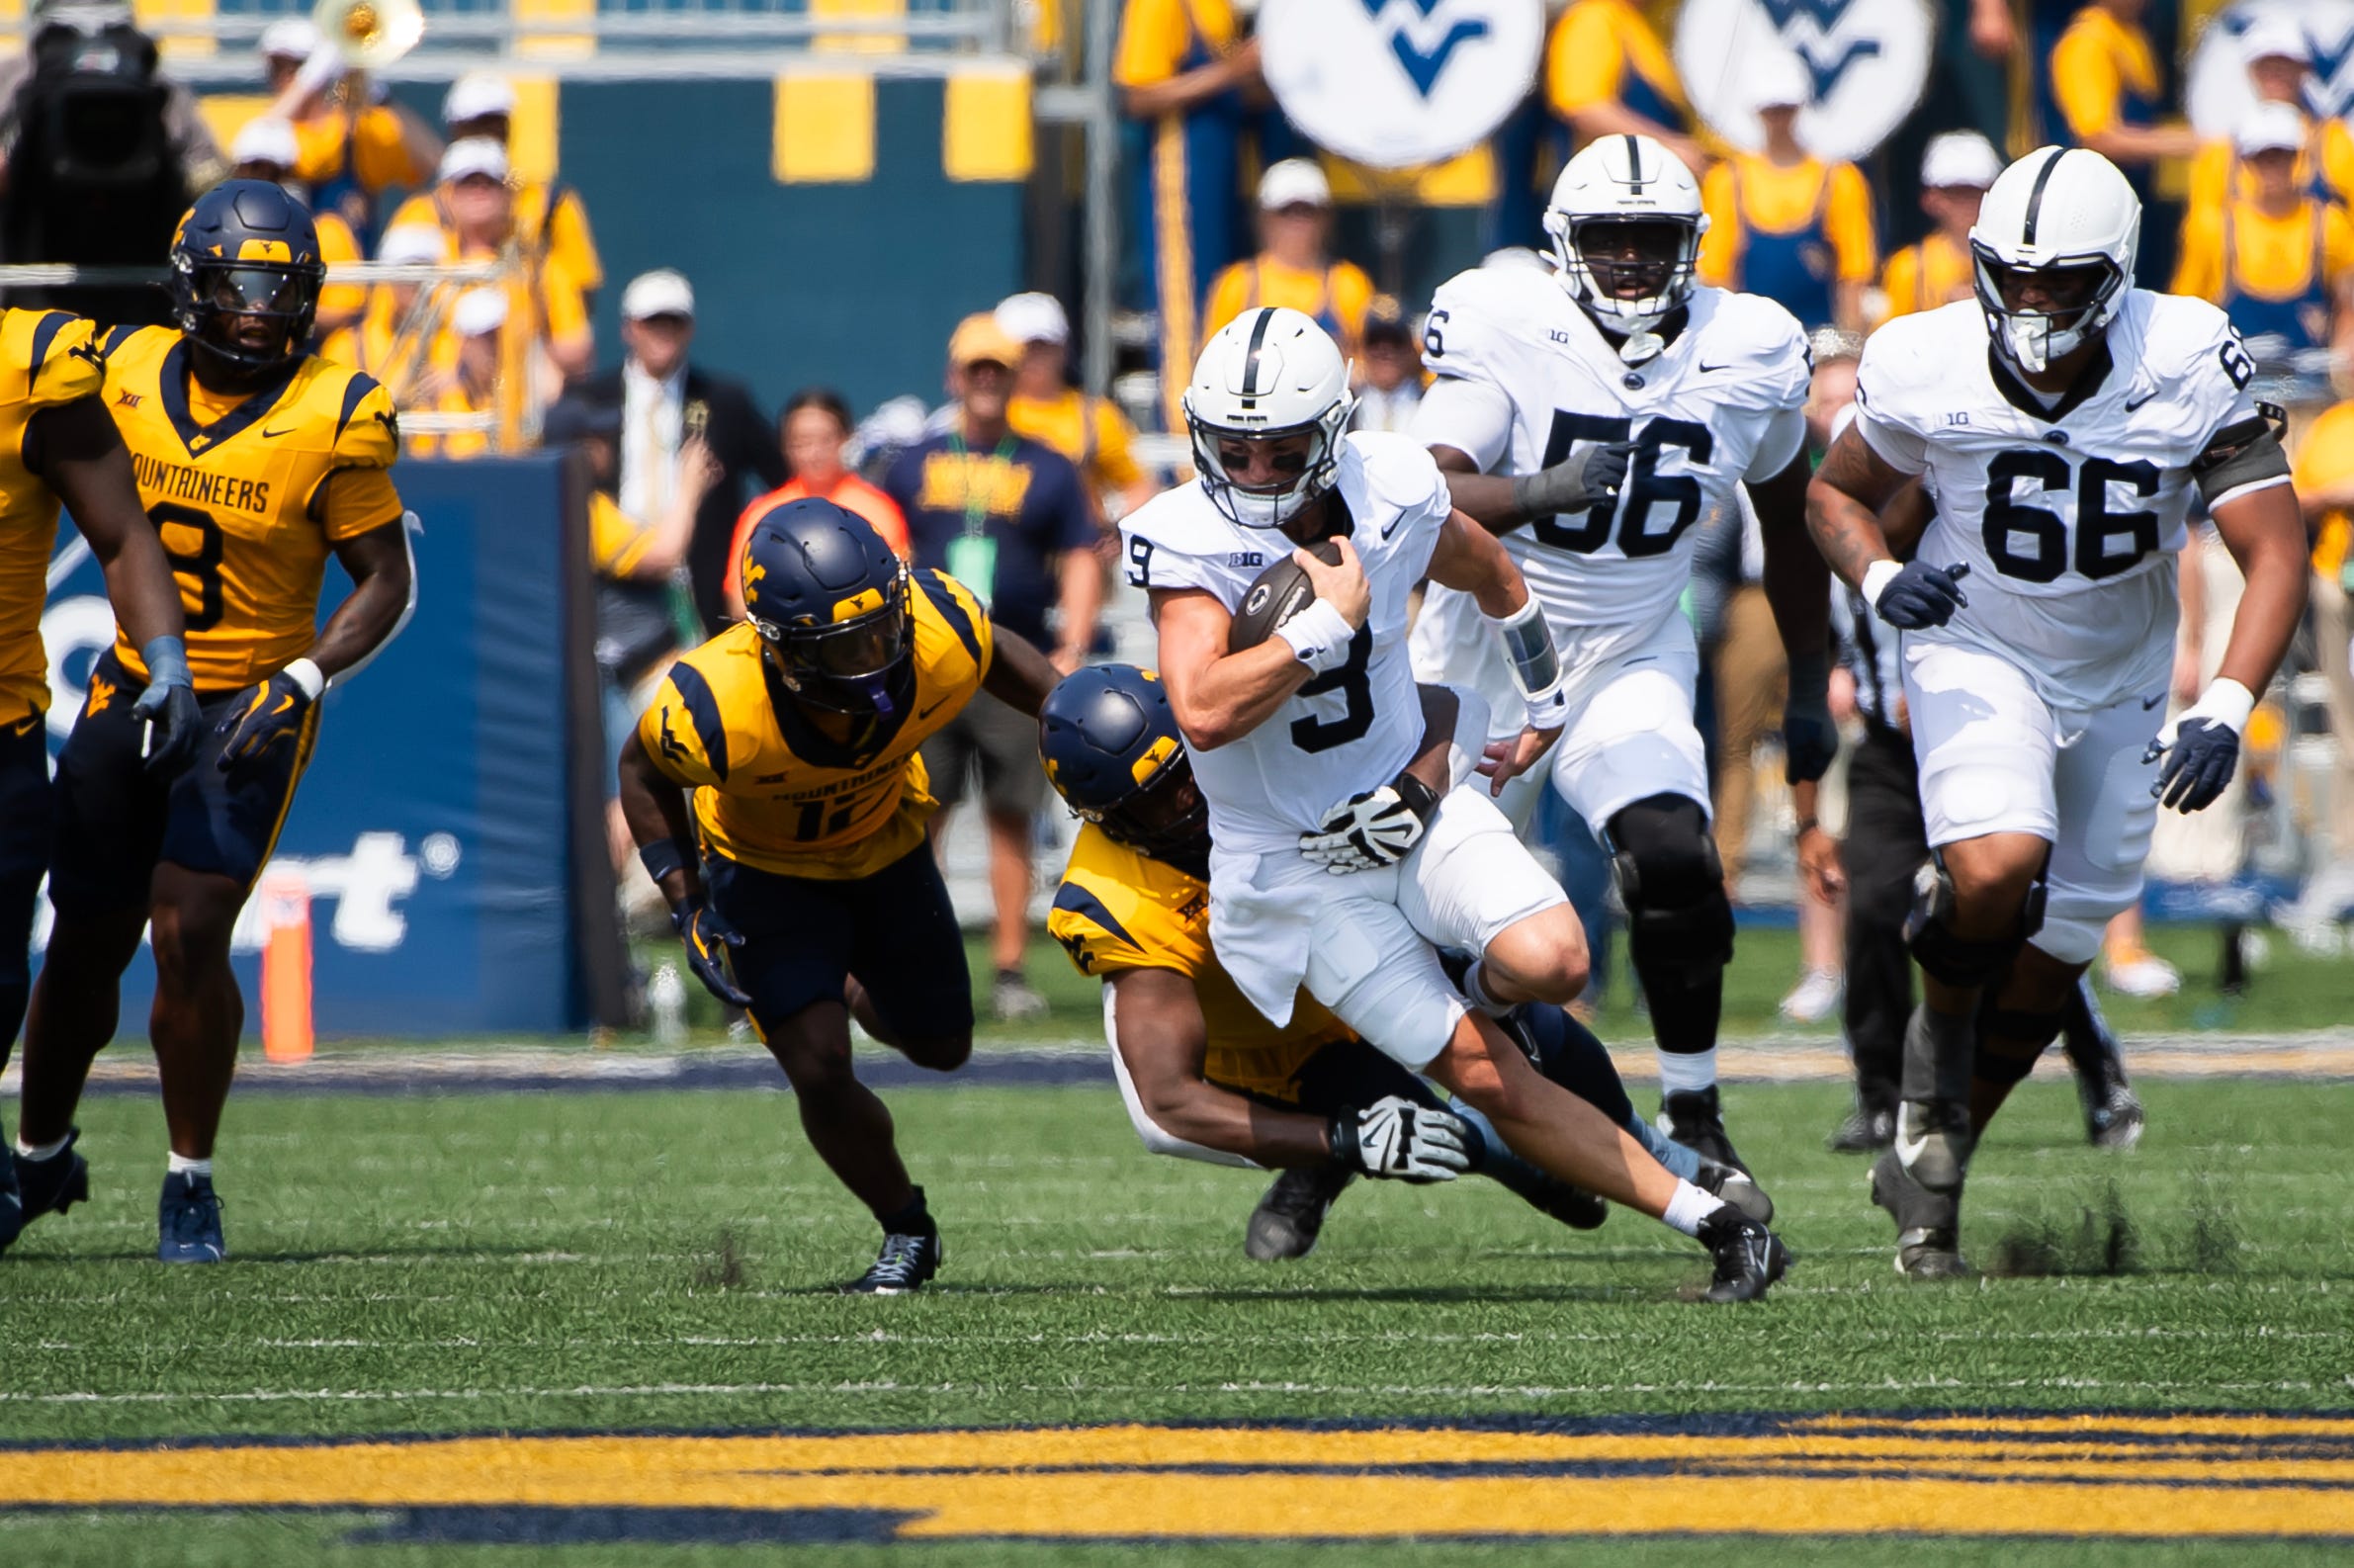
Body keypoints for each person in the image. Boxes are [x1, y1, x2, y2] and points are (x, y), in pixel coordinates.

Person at [1121, 305, 1792, 1303]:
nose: (1254, 470)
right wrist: (1321, 628)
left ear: (1331, 434)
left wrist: (1543, 692)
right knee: (1484, 1079)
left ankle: (1465, 994)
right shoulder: (1182, 538)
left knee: (1552, 959)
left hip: (1413, 802)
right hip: (1297, 871)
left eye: (1279, 449)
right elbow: (1204, 711)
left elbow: (1495, 571)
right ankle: (1718, 1227)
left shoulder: (1391, 483)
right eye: (1233, 448)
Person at [1805, 145, 2308, 1277]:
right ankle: (1931, 1049)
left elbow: (2273, 549)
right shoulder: (1925, 356)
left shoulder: (2180, 356)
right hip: (1976, 643)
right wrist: (1883, 579)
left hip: (2126, 675)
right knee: (1991, 869)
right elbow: (1833, 492)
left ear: (2115, 273)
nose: (2029, 302)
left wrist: (2224, 701)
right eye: (2011, 275)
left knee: (2055, 957)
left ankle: (1934, 1168)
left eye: (2057, 279)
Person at [11, 181, 414, 1264]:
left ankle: (189, 1176)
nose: (257, 312)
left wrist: (305, 677)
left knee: (188, 930)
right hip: (133, 686)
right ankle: (39, 1153)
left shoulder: (336, 411)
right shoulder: (122, 369)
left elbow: (385, 579)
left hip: (247, 705)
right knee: (83, 938)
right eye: (238, 286)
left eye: (279, 290)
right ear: (190, 284)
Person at [1416, 134, 1833, 1176]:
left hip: (1631, 647)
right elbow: (1415, 490)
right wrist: (1530, 494)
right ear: (1566, 247)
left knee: (1677, 861)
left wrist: (1815, 683)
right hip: (1481, 655)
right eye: (1611, 240)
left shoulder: (1748, 349)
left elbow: (1790, 522)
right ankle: (1332, 1139)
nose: (1634, 262)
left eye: (1652, 240)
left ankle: (1691, 1110)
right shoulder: (1508, 324)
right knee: (1392, 927)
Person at [1038, 664, 1770, 1258]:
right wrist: (1341, 1138)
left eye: (1189, 771)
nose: (1193, 801)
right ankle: (1337, 1164)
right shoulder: (1116, 899)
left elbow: (1439, 704)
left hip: (1365, 931)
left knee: (1527, 1030)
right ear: (1116, 824)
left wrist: (1415, 790)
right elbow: (1166, 1102)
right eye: (1161, 802)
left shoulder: (1242, 725)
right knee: (1472, 1142)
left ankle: (1665, 1160)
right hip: (1289, 1046)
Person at [618, 499, 1059, 1292]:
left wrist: (1074, 716)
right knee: (819, 1066)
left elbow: (995, 654)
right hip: (763, 872)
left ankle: (844, 979)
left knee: (942, 1045)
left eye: (880, 630)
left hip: (887, 849)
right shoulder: (715, 705)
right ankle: (906, 1227)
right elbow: (640, 773)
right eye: (842, 645)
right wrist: (685, 902)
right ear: (780, 649)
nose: (873, 655)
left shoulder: (936, 627)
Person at [1821, 409, 2142, 1156]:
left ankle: (2099, 1073)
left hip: (1982, 736)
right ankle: (1879, 1097)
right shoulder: (1834, 530)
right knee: (1870, 906)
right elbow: (1824, 630)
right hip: (1885, 753)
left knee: (2012, 915)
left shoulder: (1978, 515)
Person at [0, 305, 202, 1254]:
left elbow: (121, 536)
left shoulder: (31, 370)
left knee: (4, 973)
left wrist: (164, 657)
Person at [886, 312, 1099, 1021]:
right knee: (921, 817)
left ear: (1013, 379)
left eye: (996, 370)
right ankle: (916, 960)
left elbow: (1078, 552)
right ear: (954, 376)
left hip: (1012, 658)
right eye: (973, 369)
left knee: (1011, 817)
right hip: (929, 658)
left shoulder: (1047, 462)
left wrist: (1070, 643)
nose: (984, 381)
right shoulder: (912, 459)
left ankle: (1009, 968)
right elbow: (885, 541)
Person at [541, 395, 716, 876]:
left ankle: (623, 901)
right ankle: (616, 906)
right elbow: (663, 553)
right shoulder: (582, 504)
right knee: (623, 792)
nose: (606, 445)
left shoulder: (569, 501)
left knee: (625, 788)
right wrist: (690, 487)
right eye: (595, 437)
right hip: (614, 671)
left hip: (613, 670)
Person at [575, 270, 784, 633]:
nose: (664, 331)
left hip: (699, 590)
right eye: (652, 321)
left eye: (675, 321)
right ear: (629, 328)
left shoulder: (725, 401)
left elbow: (783, 481)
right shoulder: (589, 402)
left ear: (690, 329)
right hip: (610, 586)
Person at [1112, 0, 1265, 430]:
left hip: (1228, 178)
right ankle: (1183, 438)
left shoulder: (1226, 9)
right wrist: (1231, 73)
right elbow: (1137, 95)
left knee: (1223, 306)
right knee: (1184, 311)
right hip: (1180, 176)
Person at [2171, 104, 2354, 392]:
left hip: (2311, 391)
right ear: (2246, 161)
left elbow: (2349, 303)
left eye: (2282, 156)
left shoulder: (2330, 224)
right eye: (2262, 158)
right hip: (2235, 392)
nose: (2273, 168)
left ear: (2298, 158)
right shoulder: (2214, 228)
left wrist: (2343, 363)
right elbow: (2184, 313)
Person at [384, 71, 603, 307]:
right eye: (475, 125)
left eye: (496, 122)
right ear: (455, 129)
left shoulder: (550, 204)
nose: (488, 132)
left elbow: (582, 290)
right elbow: (394, 295)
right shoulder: (421, 212)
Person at [1697, 54, 1875, 335]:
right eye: (1772, 110)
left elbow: (1854, 274)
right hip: (1751, 335)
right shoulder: (1727, 180)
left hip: (1821, 333)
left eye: (1785, 109)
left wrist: (1849, 344)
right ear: (1757, 111)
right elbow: (1717, 275)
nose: (1778, 119)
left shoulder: (1839, 178)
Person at [2044, 0, 2199, 285]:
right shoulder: (2087, 43)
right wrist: (2183, 144)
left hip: (2135, 198)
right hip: (2094, 210)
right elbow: (2097, 137)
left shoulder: (2132, 34)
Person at [727, 391, 910, 623]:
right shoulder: (762, 514)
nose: (814, 453)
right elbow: (738, 602)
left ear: (847, 439)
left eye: (825, 440)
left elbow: (896, 587)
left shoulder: (878, 508)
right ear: (784, 446)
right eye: (801, 442)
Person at [2277, 394, 2354, 943]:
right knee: (2348, 734)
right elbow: (2294, 501)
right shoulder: (2334, 424)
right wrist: (2335, 496)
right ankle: (2347, 860)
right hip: (2339, 586)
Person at [257, 16, 440, 241]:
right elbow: (264, 132)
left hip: (351, 269)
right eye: (276, 67)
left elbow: (431, 161)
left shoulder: (353, 127)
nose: (285, 76)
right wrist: (310, 77)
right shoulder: (269, 129)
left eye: (296, 66)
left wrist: (382, 99)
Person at [430, 137, 593, 389]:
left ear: (508, 195)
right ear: (447, 194)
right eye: (468, 183)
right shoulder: (427, 258)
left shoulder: (538, 266)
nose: (479, 191)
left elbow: (576, 345)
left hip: (517, 398)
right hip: (441, 407)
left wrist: (527, 358)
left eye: (491, 183)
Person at [997, 292, 1156, 525]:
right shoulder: (980, 414)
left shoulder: (1095, 416)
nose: (1033, 356)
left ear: (1063, 349)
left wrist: (1111, 525)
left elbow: (1140, 486)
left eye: (1043, 346)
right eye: (1023, 347)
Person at [1199, 160, 1375, 360]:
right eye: (1286, 212)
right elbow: (1212, 360)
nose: (1297, 223)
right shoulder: (1238, 283)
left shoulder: (1348, 283)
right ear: (1265, 218)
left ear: (1326, 218)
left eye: (1307, 212)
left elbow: (1368, 364)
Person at [2185, 17, 2353, 214]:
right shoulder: (2223, 153)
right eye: (2266, 63)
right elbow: (2202, 230)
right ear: (2251, 70)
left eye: (2285, 62)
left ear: (2304, 68)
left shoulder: (2333, 141)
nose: (2275, 72)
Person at [226, 116, 365, 342]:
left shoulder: (327, 230)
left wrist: (285, 313)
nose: (262, 181)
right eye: (252, 170)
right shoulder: (223, 229)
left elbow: (347, 309)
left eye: (273, 172)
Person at [1541, 0, 1701, 172]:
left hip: (1649, 183)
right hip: (1610, 185)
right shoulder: (1591, 19)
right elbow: (1583, 107)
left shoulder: (1639, 22)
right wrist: (1667, 146)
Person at [316, 222, 456, 405]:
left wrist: (454, 386)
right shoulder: (347, 345)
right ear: (388, 278)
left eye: (427, 272)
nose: (417, 283)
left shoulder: (453, 343)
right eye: (407, 272)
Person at [1877, 132, 2004, 326]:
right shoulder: (1909, 268)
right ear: (1930, 198)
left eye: (1975, 192)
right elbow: (1889, 341)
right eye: (1955, 193)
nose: (1966, 203)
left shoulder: (2008, 261)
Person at [401, 286, 503, 460]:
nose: (497, 345)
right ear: (464, 344)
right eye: (487, 336)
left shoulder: (524, 390)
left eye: (501, 335)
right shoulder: (438, 403)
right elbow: (423, 464)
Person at [1349, 298, 1422, 434]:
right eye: (1374, 342)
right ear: (1362, 349)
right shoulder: (1346, 408)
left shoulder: (1430, 404)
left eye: (1395, 342)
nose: (1384, 351)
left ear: (1411, 349)